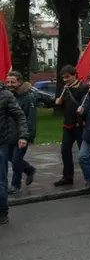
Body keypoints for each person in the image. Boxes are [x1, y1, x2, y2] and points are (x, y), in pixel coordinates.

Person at [54, 65, 90, 187]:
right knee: (65, 150)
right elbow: (63, 107)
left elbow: (89, 105)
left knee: (86, 153)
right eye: (63, 77)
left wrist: (83, 114)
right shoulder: (65, 89)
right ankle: (67, 177)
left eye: (67, 77)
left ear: (74, 75)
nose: (65, 79)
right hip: (68, 125)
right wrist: (58, 104)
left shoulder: (84, 88)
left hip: (80, 125)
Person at [6, 71, 45, 193]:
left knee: (16, 160)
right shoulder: (8, 95)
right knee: (9, 157)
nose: (10, 84)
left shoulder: (28, 97)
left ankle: (15, 186)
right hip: (7, 134)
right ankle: (29, 170)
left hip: (21, 135)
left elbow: (30, 118)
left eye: (13, 82)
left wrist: (26, 136)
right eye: (8, 82)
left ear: (19, 82)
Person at [0, 79, 28, 225]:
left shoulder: (5, 95)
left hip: (1, 143)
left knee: (0, 180)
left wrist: (23, 135)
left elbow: (20, 115)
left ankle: (2, 212)